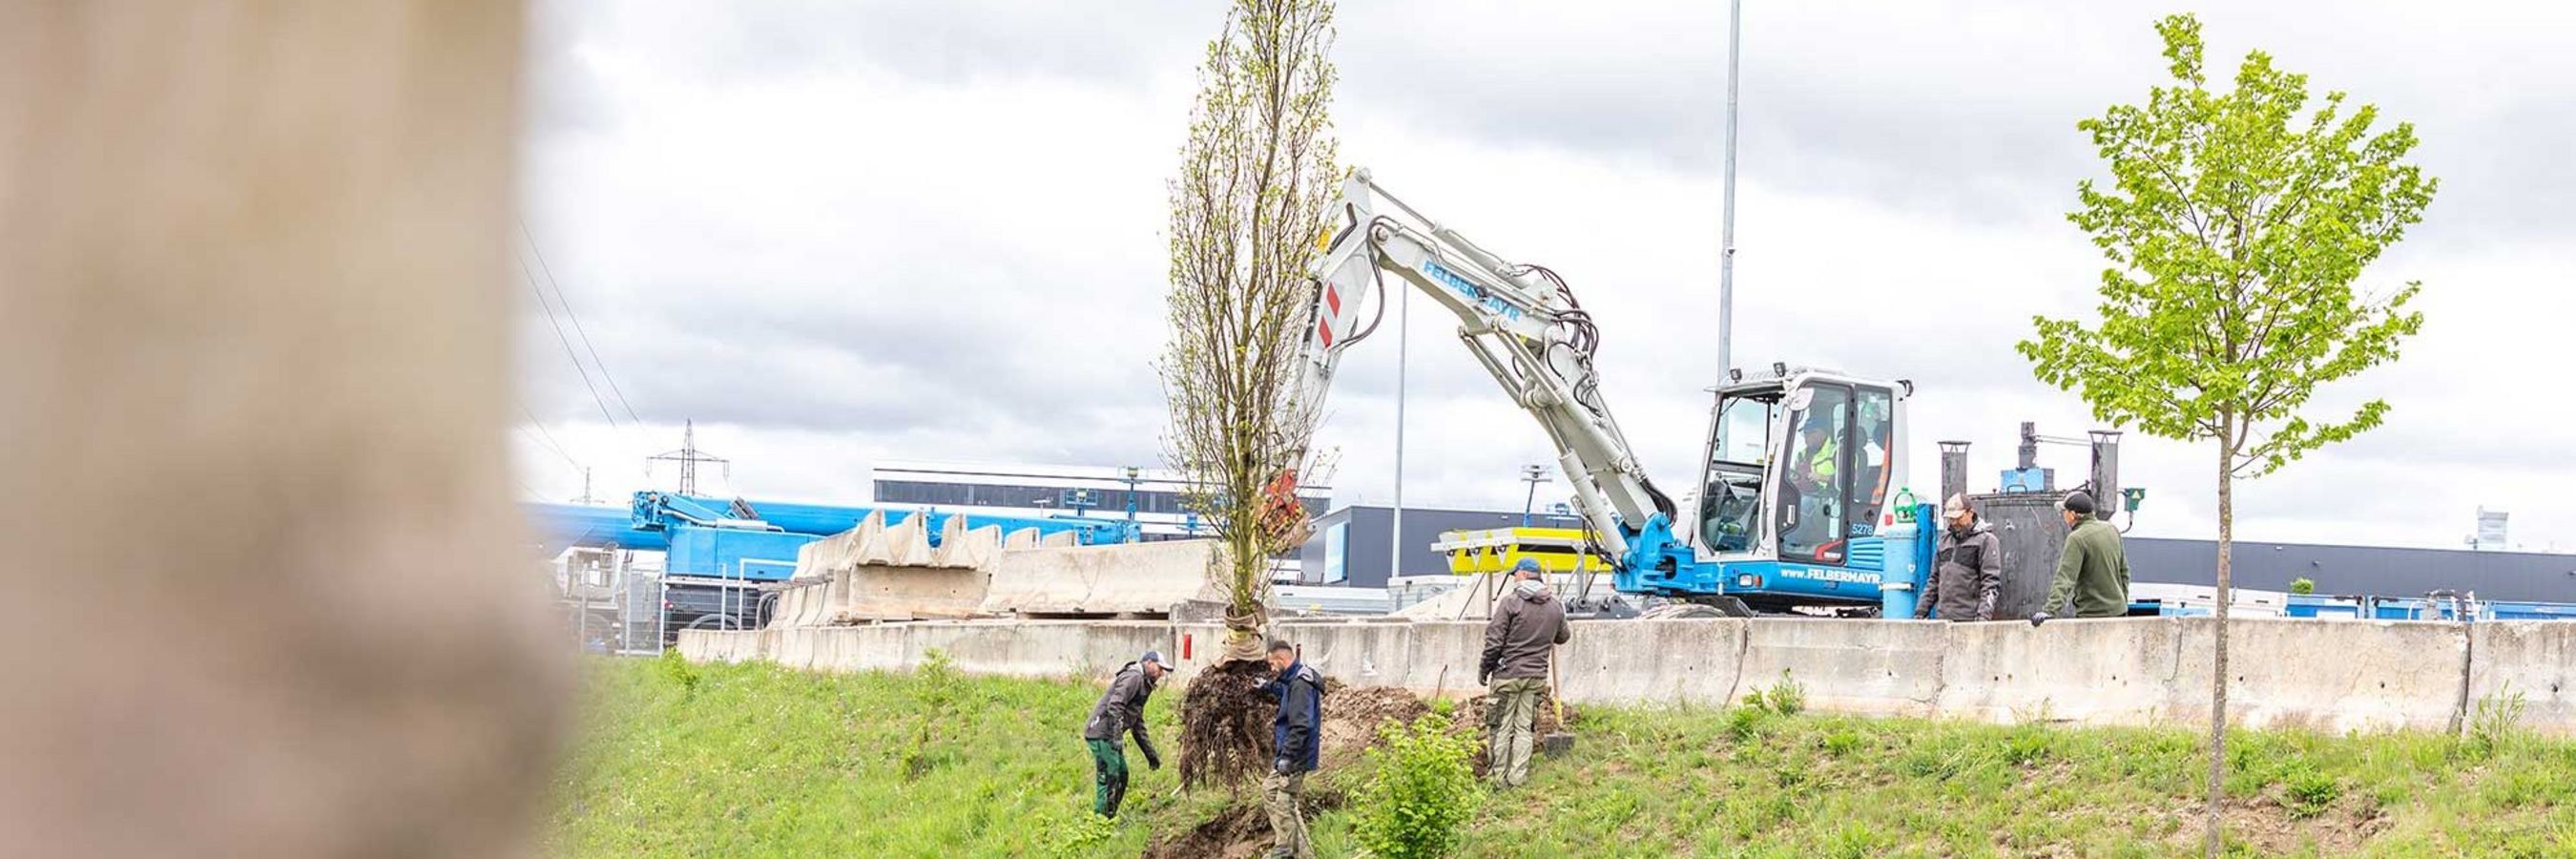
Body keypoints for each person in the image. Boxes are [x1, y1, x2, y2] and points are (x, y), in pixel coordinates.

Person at [1480, 557, 1570, 788]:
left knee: (1500, 727)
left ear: (1523, 574)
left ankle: (1498, 780)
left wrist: (1485, 668)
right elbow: (1563, 637)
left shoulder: (1510, 603)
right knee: (1524, 729)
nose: (1513, 578)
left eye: (1514, 574)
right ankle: (1517, 779)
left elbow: (1494, 641)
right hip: (1536, 677)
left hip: (1507, 674)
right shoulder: (1555, 605)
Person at [1081, 650, 1166, 818]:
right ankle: (1101, 820)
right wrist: (1117, 736)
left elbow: (1137, 724)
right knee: (1111, 776)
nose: (1161, 673)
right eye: (1159, 668)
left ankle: (1109, 816)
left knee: (1122, 774)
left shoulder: (1144, 684)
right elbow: (1115, 705)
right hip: (1101, 733)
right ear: (1149, 663)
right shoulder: (1134, 677)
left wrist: (1151, 755)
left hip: (1110, 734)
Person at [1262, 639, 1323, 859]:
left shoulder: (1301, 684)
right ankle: (1285, 845)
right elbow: (1284, 689)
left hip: (1296, 755)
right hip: (1287, 753)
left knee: (1286, 804)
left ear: (1281, 659)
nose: (1271, 668)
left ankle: (1302, 855)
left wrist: (1288, 757)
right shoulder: (1293, 678)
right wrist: (1267, 686)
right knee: (1269, 790)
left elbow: (1302, 725)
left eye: (1271, 664)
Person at [2032, 492, 2132, 624]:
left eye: (2065, 511)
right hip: (2118, 612)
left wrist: (2050, 611)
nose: (2063, 515)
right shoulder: (2111, 529)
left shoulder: (2077, 538)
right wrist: (2123, 603)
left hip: (2093, 615)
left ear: (2073, 515)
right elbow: (2124, 572)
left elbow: (2065, 578)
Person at [1915, 494, 2004, 621]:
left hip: (1970, 619)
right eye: (1951, 519)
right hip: (1943, 619)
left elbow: (1990, 582)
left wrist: (1983, 617)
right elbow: (1934, 581)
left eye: (1958, 518)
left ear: (1970, 513)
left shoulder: (1986, 541)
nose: (1954, 522)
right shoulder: (1944, 541)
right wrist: (1920, 612)